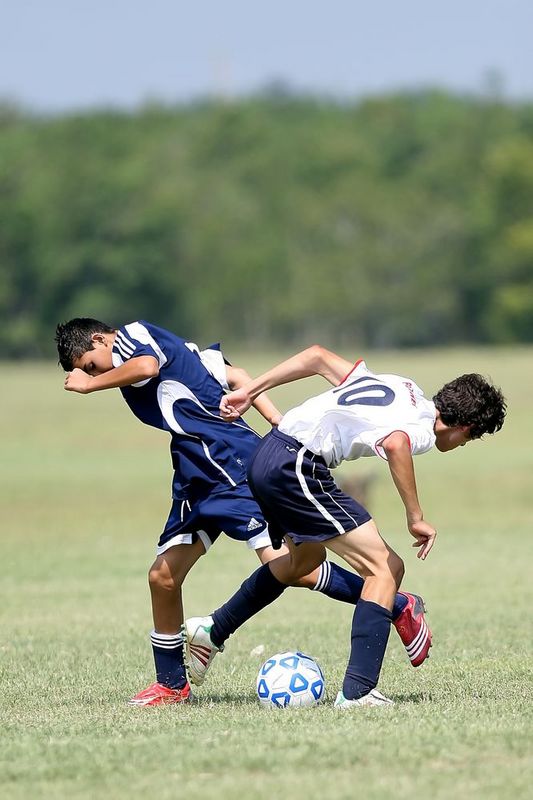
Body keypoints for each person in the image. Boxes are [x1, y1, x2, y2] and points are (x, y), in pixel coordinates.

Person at [56, 320, 433, 706]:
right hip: (194, 470)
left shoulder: (134, 337)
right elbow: (234, 375)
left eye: (90, 365)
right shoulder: (176, 351)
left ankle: (396, 604)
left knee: (296, 565)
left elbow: (146, 366)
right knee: (163, 577)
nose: (94, 374)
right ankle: (171, 684)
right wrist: (275, 420)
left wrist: (89, 386)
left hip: (232, 462)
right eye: (89, 373)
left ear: (100, 339)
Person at [185, 345, 506, 708]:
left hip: (267, 455)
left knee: (304, 561)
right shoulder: (424, 430)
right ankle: (358, 692)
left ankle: (213, 629)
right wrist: (415, 517)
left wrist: (250, 390)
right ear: (466, 427)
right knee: (386, 568)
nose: (461, 444)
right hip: (297, 466)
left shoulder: (402, 386)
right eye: (470, 438)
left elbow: (317, 357)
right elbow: (396, 444)